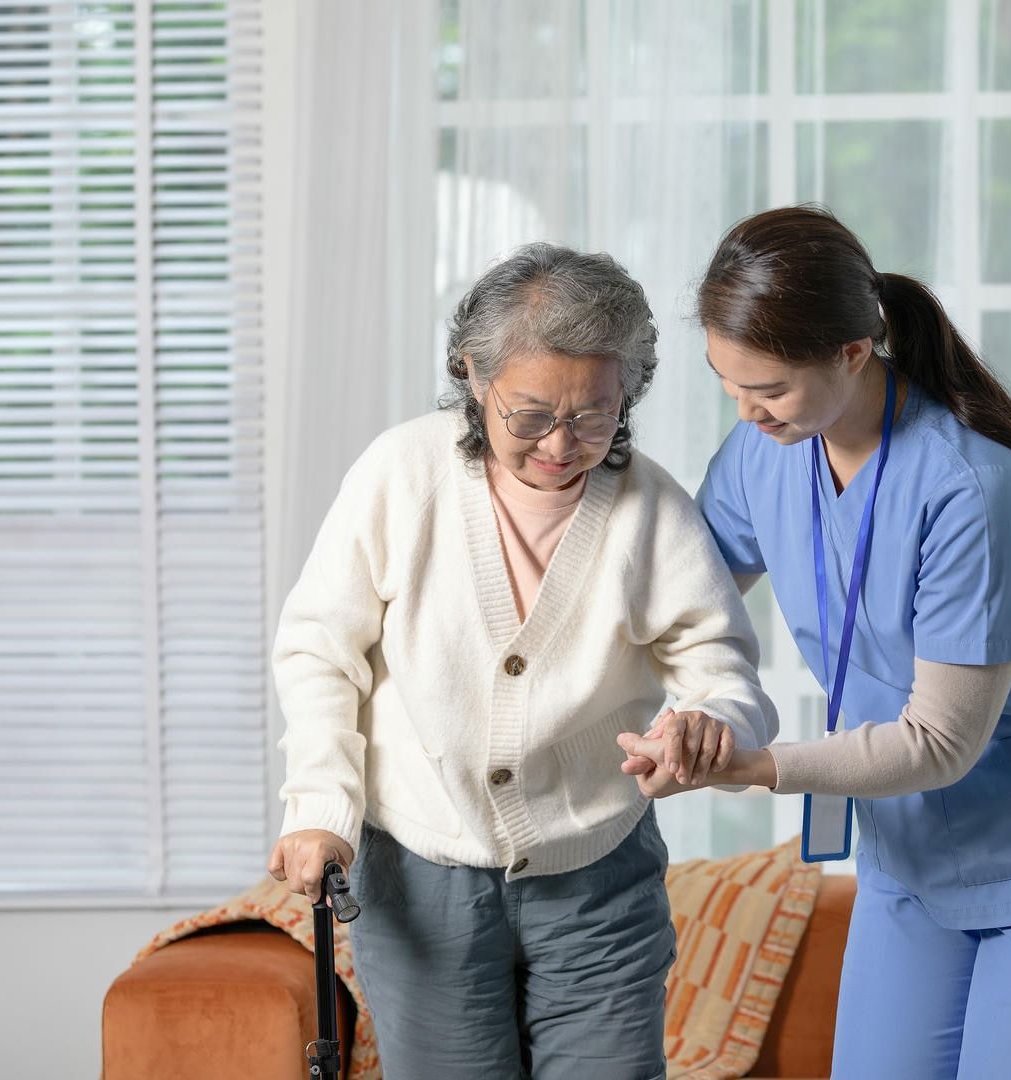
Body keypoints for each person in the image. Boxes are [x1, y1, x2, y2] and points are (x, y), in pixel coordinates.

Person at [618, 206, 1011, 1080]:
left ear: (852, 350)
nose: (747, 410)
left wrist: (750, 765)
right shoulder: (764, 451)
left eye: (768, 387)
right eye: (728, 383)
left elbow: (940, 740)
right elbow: (685, 611)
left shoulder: (972, 488)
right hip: (910, 856)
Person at [268, 242, 777, 1079]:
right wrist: (319, 803)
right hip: (421, 873)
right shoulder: (404, 473)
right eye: (532, 415)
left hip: (600, 876)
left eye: (594, 414)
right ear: (473, 375)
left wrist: (707, 726)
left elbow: (723, 668)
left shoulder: (652, 509)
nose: (560, 444)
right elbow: (320, 648)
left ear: (630, 389)